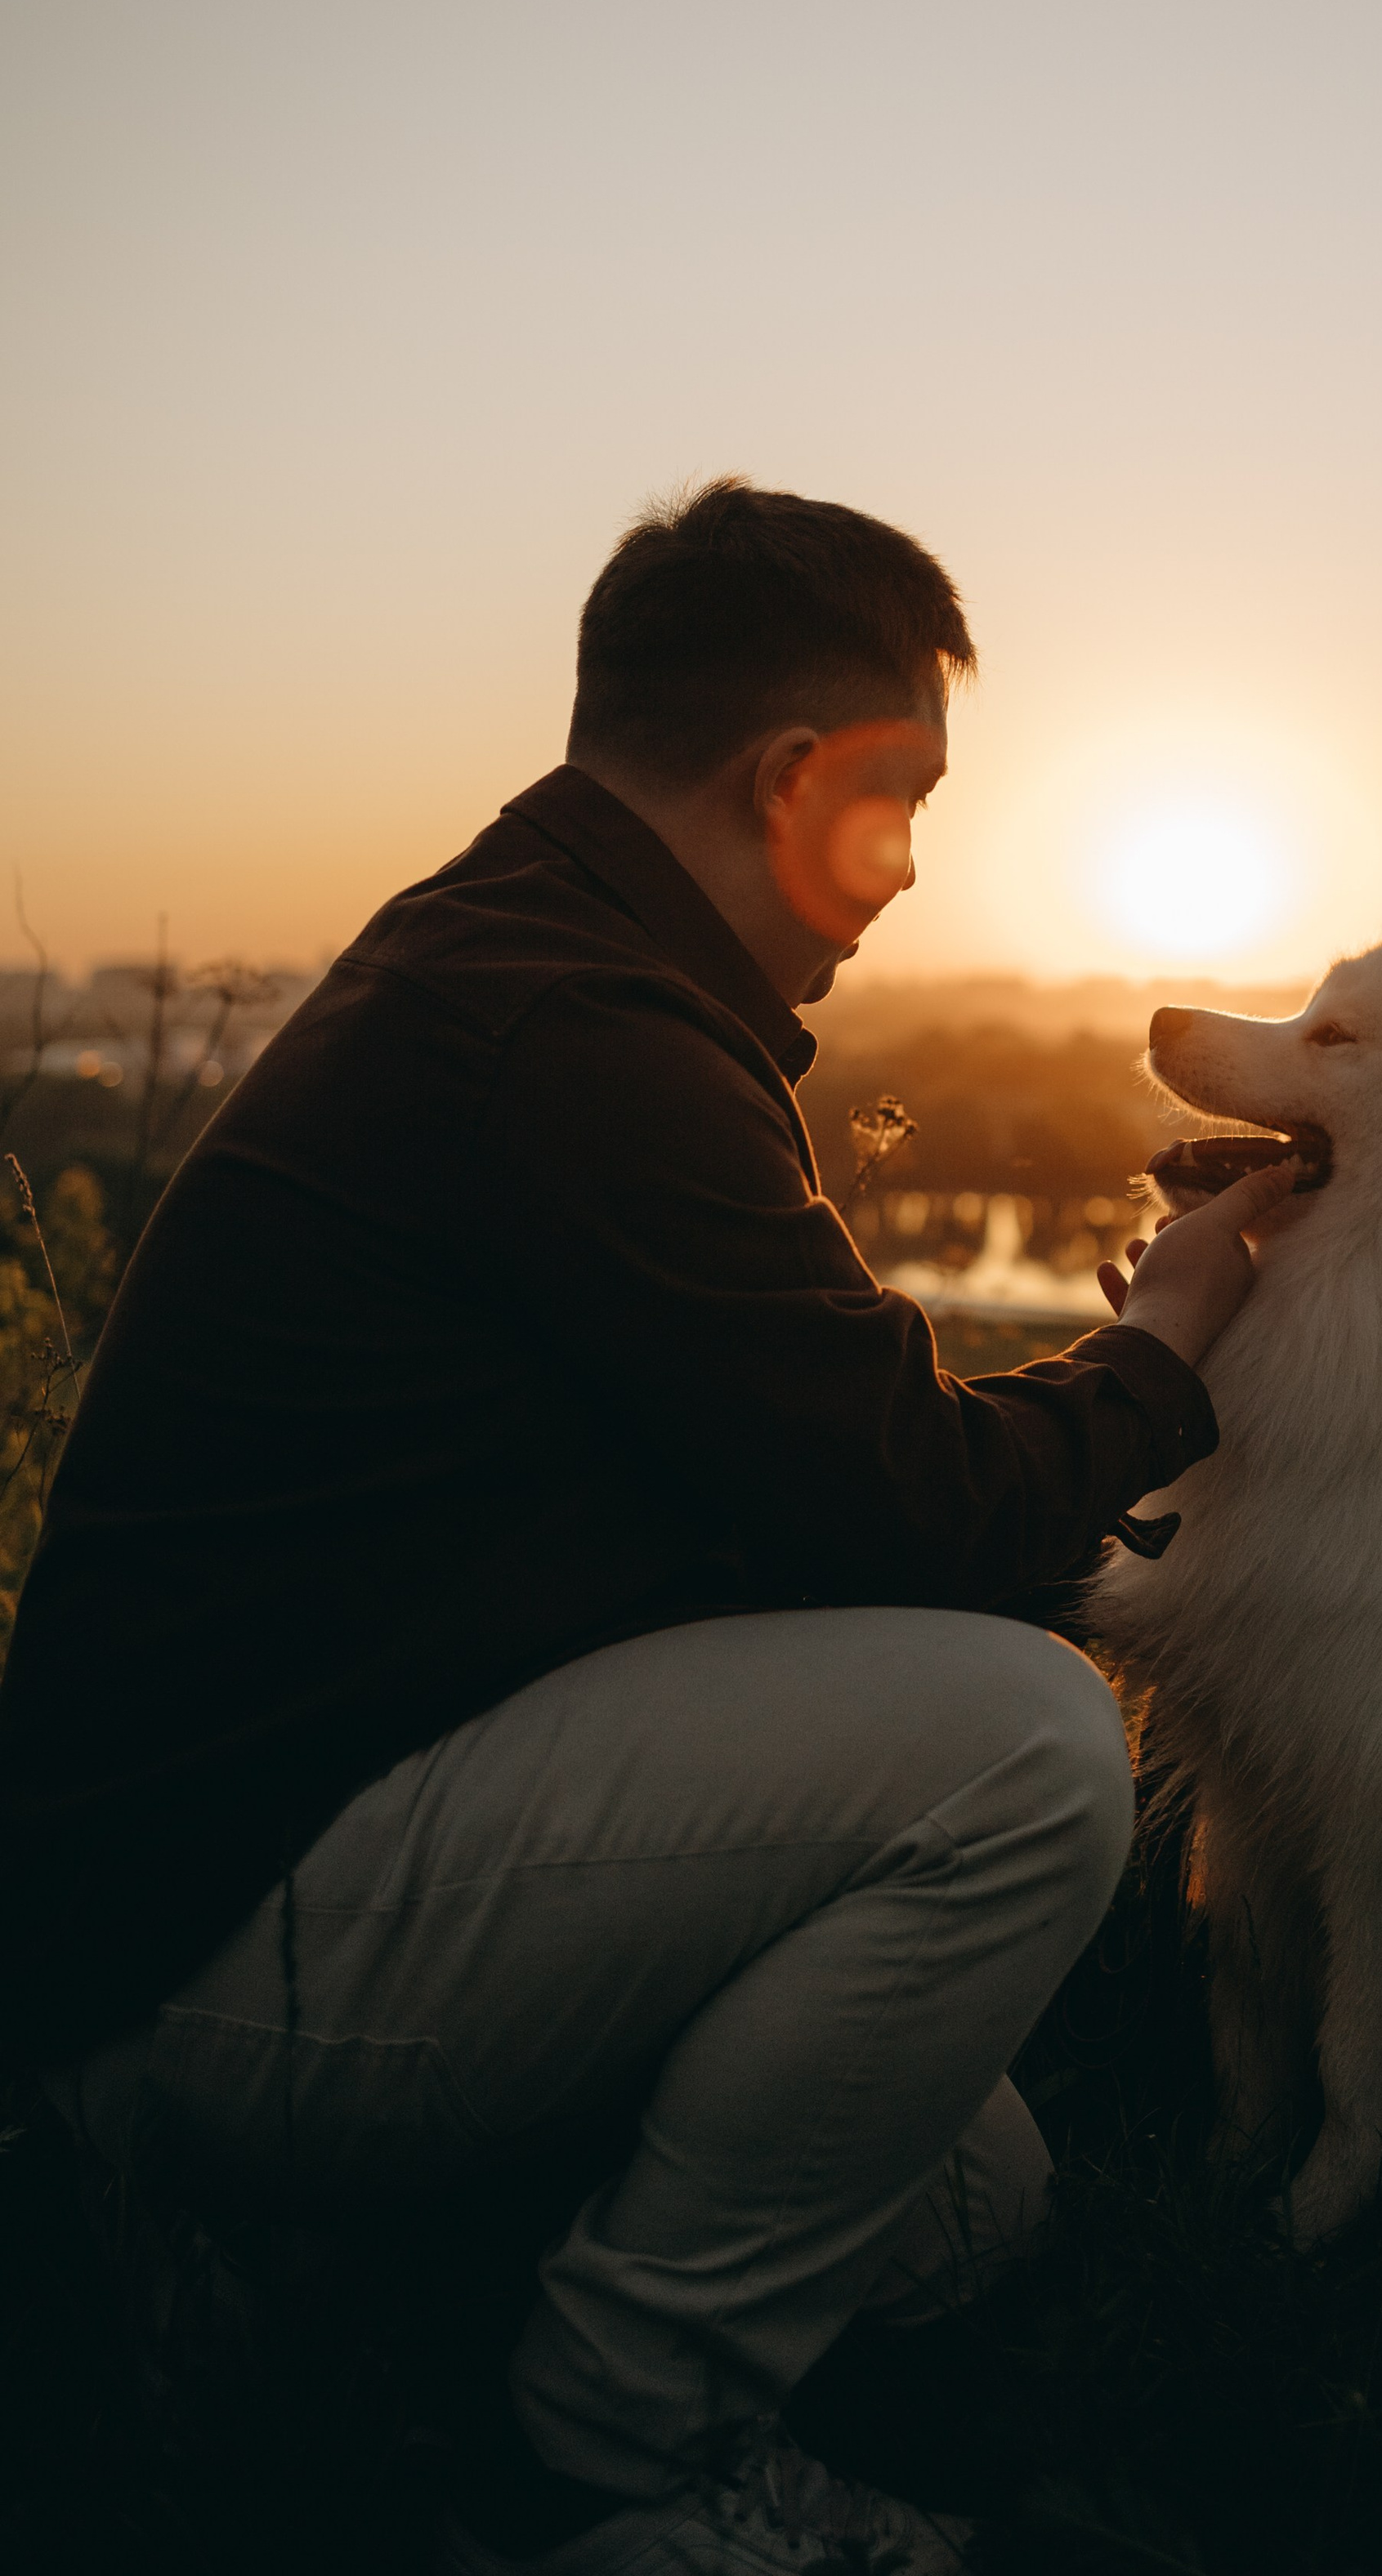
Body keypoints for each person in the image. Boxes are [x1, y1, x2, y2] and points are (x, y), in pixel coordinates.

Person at [0, 480, 1297, 2576]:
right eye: (903, 804)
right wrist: (1163, 1347)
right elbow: (921, 1509)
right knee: (1018, 1743)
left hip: (293, 1852)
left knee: (968, 2200)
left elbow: (786, 1492)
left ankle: (395, 2299)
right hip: (198, 1958)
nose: (906, 872)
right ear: (792, 778)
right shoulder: (572, 1038)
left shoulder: (537, 960)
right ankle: (604, 2466)